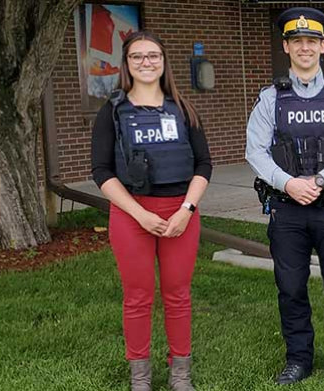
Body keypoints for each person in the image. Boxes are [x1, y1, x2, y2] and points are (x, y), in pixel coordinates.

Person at [245, 6, 324, 387]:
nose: (304, 48)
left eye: (311, 41)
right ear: (286, 46)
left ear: (322, 46)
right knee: (291, 289)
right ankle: (298, 360)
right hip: (287, 210)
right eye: (297, 41)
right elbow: (256, 151)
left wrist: (319, 180)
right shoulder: (271, 98)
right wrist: (288, 184)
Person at [90, 31, 212, 391]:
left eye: (153, 56)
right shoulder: (112, 111)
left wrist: (186, 210)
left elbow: (204, 165)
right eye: (138, 56)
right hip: (131, 214)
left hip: (179, 214)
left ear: (163, 62)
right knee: (138, 296)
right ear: (127, 64)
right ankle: (140, 377)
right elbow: (101, 172)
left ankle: (180, 374)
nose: (146, 62)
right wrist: (139, 214)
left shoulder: (183, 108)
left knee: (177, 294)